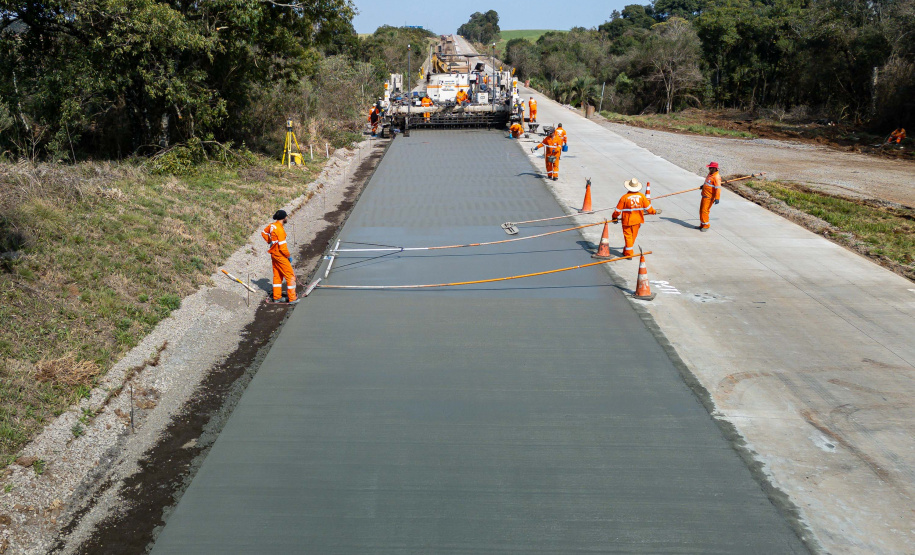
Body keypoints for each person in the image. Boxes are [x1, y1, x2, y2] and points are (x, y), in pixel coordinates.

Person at [612, 179, 661, 258]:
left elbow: (617, 210)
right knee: (633, 236)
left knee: (628, 236)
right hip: (637, 220)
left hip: (627, 220)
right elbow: (648, 208)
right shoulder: (642, 196)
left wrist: (614, 217)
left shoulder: (624, 197)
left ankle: (628, 254)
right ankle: (626, 250)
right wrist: (654, 211)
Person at [261, 210, 298, 304]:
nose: (287, 218)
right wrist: (288, 256)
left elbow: (263, 232)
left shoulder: (272, 226)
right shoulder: (280, 230)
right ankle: (292, 298)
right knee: (290, 276)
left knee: (277, 276)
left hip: (274, 255)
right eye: (286, 216)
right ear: (283, 218)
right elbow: (283, 247)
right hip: (280, 255)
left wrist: (270, 241)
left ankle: (277, 297)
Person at [699, 162, 721, 232]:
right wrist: (704, 186)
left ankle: (706, 225)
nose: (709, 168)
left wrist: (717, 198)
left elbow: (718, 188)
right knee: (701, 211)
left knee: (705, 211)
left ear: (714, 168)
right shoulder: (710, 174)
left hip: (709, 197)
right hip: (704, 195)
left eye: (710, 167)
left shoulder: (716, 177)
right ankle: (702, 224)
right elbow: (708, 183)